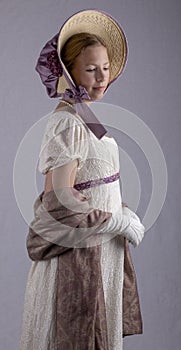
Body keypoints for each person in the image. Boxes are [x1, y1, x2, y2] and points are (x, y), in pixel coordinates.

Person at [20, 9, 145, 350]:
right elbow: (59, 201)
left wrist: (120, 209)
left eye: (105, 68)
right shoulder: (67, 123)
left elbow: (94, 182)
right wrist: (117, 221)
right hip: (78, 255)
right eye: (90, 69)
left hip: (100, 251)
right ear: (69, 71)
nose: (101, 77)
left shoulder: (84, 117)